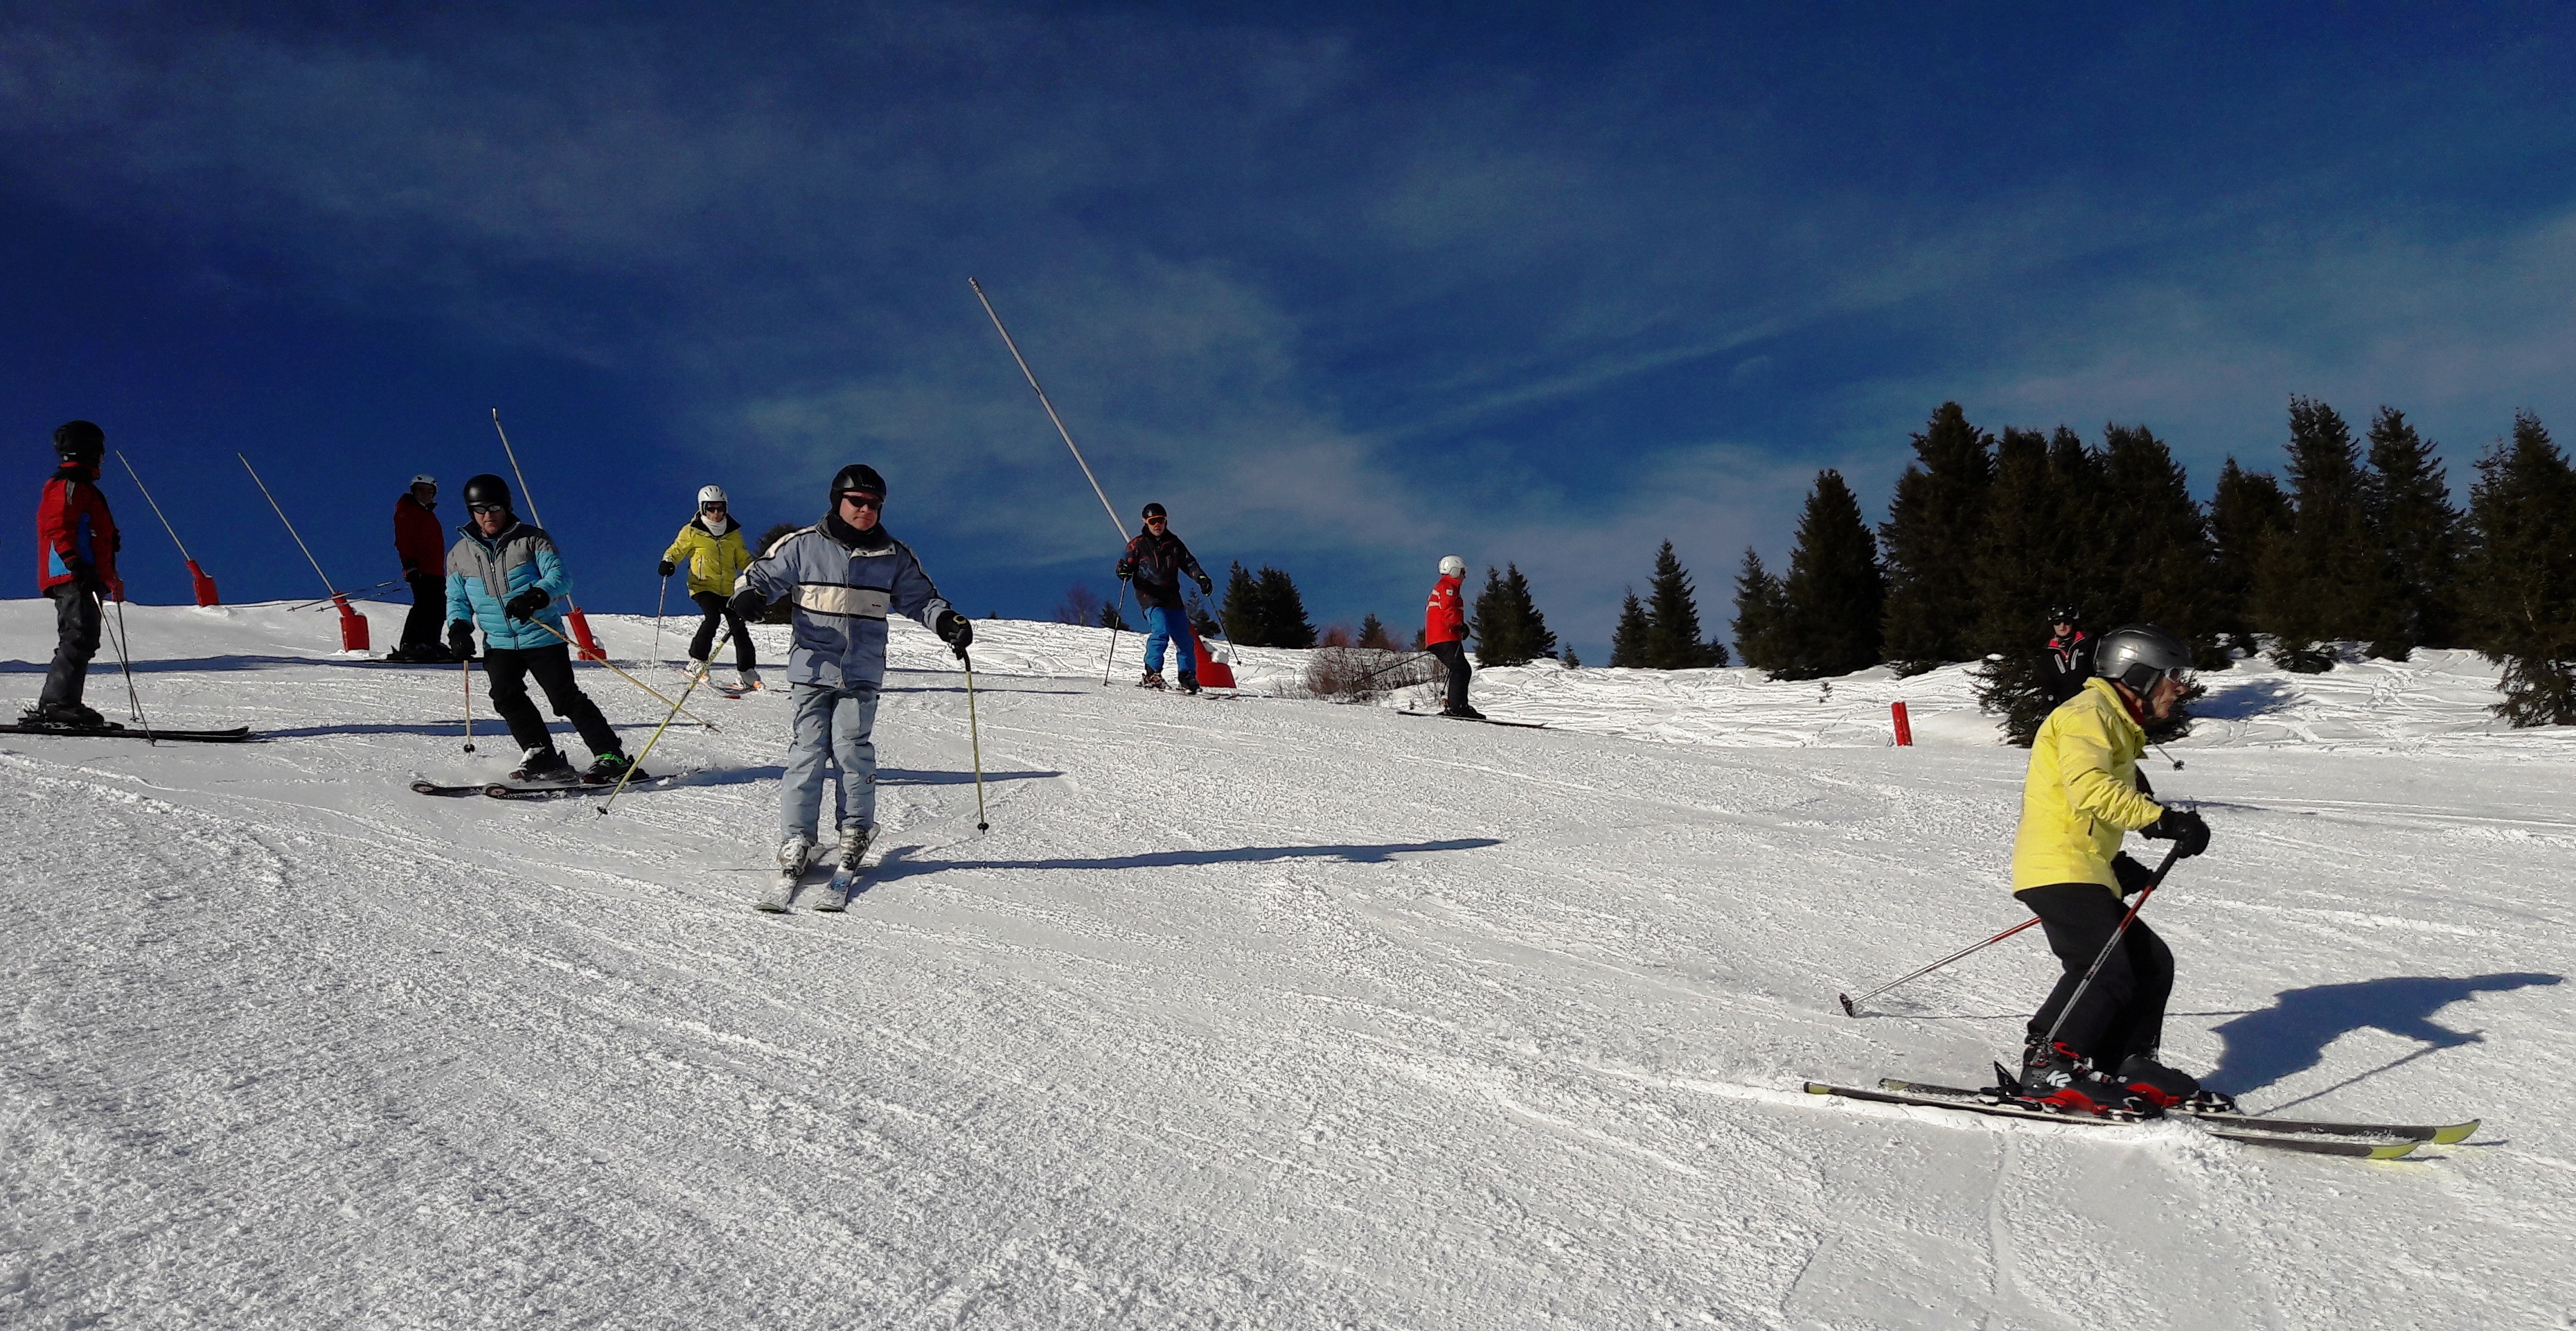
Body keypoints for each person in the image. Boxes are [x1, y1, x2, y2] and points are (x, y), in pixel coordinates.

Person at [730, 464, 970, 908]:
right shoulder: (803, 546)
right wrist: (748, 595)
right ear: (837, 501)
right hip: (811, 668)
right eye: (857, 501)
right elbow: (758, 576)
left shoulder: (892, 556)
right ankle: (797, 838)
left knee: (851, 749)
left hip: (861, 671)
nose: (866, 510)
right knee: (807, 752)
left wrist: (946, 622)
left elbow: (921, 599)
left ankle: (855, 830)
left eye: (874, 504)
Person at [2008, 623, 2214, 1117]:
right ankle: (2047, 1064)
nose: (2180, 688)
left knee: (2149, 962)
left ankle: (2128, 1062)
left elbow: (2076, 805)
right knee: (2102, 964)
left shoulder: (2111, 721)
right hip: (2059, 866)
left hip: (2081, 863)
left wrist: (2116, 862)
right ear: (2139, 675)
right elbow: (2090, 788)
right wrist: (2162, 820)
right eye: (2173, 676)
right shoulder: (2088, 714)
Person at [443, 473, 630, 782]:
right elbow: (457, 599)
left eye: (495, 508)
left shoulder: (532, 539)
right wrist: (459, 629)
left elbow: (560, 577)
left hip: (541, 635)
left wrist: (535, 597)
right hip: (499, 642)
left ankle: (611, 755)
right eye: (480, 510)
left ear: (507, 506)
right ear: (471, 512)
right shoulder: (459, 554)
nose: (488, 516)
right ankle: (541, 755)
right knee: (505, 697)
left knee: (564, 698)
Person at [29, 421, 123, 728]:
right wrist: (74, 562)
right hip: (72, 574)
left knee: (82, 636)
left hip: (81, 573)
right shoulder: (69, 483)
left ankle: (63, 702)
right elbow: (56, 524)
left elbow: (85, 526)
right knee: (79, 635)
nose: (102, 457)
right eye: (100, 450)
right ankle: (58, 704)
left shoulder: (83, 487)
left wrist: (108, 540)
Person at [659, 484, 761, 689]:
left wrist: (757, 572)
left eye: (720, 508)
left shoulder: (733, 534)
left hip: (728, 589)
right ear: (702, 508)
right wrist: (668, 562)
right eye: (711, 509)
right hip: (703, 585)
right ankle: (697, 662)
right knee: (712, 618)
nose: (716, 513)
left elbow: (743, 559)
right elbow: (677, 550)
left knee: (738, 626)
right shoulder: (692, 531)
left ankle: (746, 672)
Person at [1114, 502, 1212, 693]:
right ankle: (1152, 673)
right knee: (1161, 631)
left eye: (1161, 521)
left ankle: (1187, 676)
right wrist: (1123, 571)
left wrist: (1201, 578)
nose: (1157, 525)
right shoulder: (1137, 544)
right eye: (1153, 521)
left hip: (1172, 597)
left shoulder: (1174, 543)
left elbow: (1189, 563)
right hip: (1149, 595)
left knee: (1184, 638)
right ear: (1145, 522)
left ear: (1166, 521)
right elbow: (1125, 566)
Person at [390, 474, 452, 662]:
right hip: (420, 569)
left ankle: (430, 642)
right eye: (421, 490)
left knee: (439, 605)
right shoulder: (408, 512)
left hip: (435, 570)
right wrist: (409, 565)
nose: (425, 494)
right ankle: (411, 644)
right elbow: (403, 539)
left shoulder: (427, 514)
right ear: (413, 492)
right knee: (424, 604)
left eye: (430, 491)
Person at [1423, 554, 1480, 720]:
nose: (1464, 576)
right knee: (1460, 669)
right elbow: (1448, 608)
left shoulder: (1447, 587)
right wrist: (1459, 625)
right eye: (1462, 572)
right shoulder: (1447, 587)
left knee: (1462, 669)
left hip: (1444, 637)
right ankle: (1457, 707)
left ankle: (1460, 705)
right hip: (1444, 637)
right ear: (1454, 571)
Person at [2038, 603, 2093, 705]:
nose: (2062, 626)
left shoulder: (2088, 643)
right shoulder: (2047, 652)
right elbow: (2047, 683)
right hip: (2065, 707)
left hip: (2091, 702)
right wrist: (2050, 703)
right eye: (2057, 622)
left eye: (2066, 621)